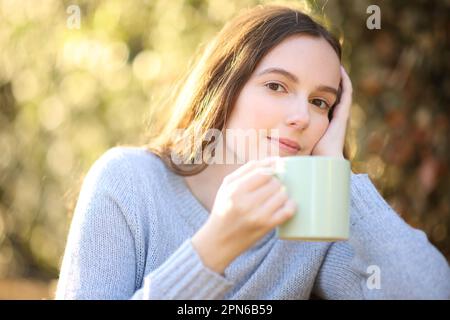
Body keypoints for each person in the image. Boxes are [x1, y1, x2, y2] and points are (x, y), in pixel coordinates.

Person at [55, 4, 450, 299]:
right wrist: (216, 245)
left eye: (320, 102)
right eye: (277, 86)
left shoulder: (313, 216)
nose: (302, 116)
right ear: (225, 86)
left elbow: (429, 291)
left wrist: (337, 174)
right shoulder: (128, 182)